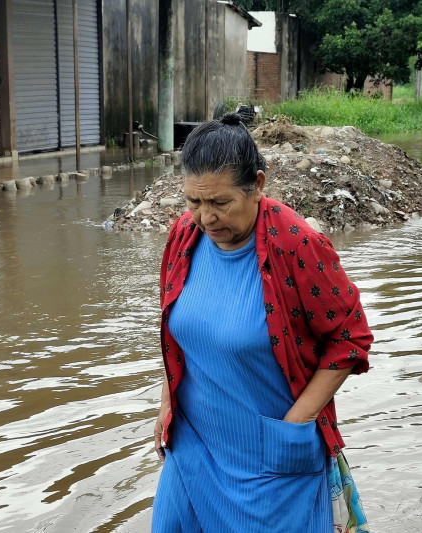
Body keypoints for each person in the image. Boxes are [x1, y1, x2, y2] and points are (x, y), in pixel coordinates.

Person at [151, 113, 372, 532]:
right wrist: (166, 403)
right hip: (194, 444)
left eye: (220, 203)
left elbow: (349, 339)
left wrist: (295, 425)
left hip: (270, 457)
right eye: (193, 202)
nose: (205, 218)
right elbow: (175, 332)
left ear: (258, 185)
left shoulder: (296, 244)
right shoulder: (184, 235)